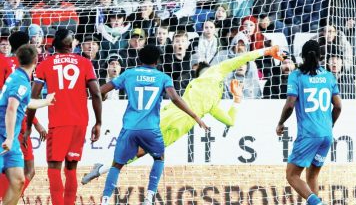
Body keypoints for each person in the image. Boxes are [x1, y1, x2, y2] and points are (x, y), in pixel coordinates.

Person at [82, 45, 284, 187]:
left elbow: (230, 120)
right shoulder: (214, 73)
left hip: (179, 129)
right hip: (172, 115)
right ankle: (106, 170)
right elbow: (240, 59)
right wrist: (265, 51)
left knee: (142, 153)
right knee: (139, 148)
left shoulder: (213, 102)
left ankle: (102, 169)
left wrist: (237, 101)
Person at [99, 45, 209, 205]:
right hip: (151, 129)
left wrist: (100, 96)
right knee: (159, 158)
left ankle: (105, 200)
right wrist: (195, 116)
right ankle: (149, 197)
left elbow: (102, 89)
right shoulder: (163, 77)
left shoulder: (129, 74)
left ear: (139, 59)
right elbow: (175, 98)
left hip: (130, 128)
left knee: (117, 164)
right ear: (158, 60)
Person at [26, 29, 102, 205]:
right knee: (71, 168)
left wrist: (29, 124)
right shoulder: (84, 62)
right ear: (70, 44)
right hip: (80, 122)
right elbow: (96, 94)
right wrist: (98, 122)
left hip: (59, 122)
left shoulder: (45, 64)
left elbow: (34, 96)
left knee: (54, 168)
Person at [275, 40, 342, 205]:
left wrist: (280, 123)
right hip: (327, 135)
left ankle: (318, 204)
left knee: (292, 175)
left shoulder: (296, 75)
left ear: (302, 56)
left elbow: (290, 104)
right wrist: (329, 124)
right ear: (320, 57)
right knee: (312, 175)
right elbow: (338, 106)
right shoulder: (328, 76)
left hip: (309, 134)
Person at [0, 44, 55, 205]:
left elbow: (25, 102)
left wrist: (46, 101)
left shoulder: (18, 76)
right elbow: (11, 107)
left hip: (10, 140)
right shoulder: (21, 82)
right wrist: (10, 138)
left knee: (18, 181)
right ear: (36, 60)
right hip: (4, 137)